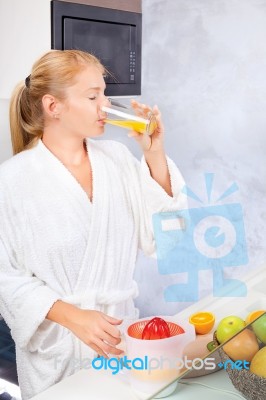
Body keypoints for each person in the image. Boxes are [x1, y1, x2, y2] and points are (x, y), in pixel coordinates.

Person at [0, 50, 186, 399]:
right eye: (92, 96)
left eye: (105, 94)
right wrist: (72, 316)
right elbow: (4, 275)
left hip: (120, 345)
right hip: (57, 358)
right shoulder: (11, 181)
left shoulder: (116, 160)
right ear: (53, 106)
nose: (105, 105)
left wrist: (154, 153)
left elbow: (169, 240)